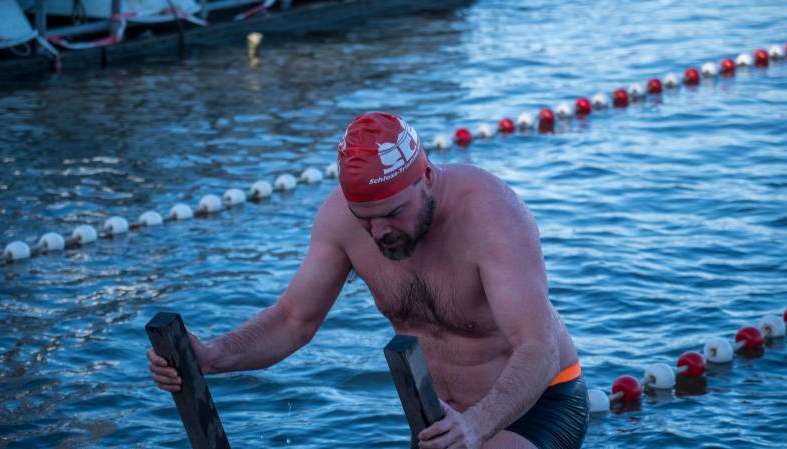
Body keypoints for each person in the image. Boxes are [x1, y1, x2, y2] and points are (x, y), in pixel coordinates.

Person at [148, 112, 588, 449]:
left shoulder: (489, 215)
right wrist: (212, 356)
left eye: (393, 214)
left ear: (427, 178)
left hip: (538, 403)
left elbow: (538, 348)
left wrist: (476, 426)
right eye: (365, 219)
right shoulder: (339, 220)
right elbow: (293, 320)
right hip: (441, 420)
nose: (379, 233)